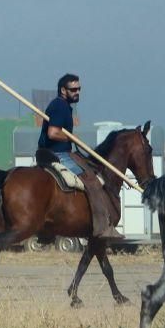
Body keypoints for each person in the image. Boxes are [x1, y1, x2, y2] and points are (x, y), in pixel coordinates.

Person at [38, 73, 120, 239]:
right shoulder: (60, 106)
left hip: (64, 152)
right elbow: (53, 133)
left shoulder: (64, 106)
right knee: (93, 181)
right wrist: (70, 137)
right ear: (63, 90)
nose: (77, 92)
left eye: (79, 89)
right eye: (73, 89)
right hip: (59, 154)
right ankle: (102, 227)